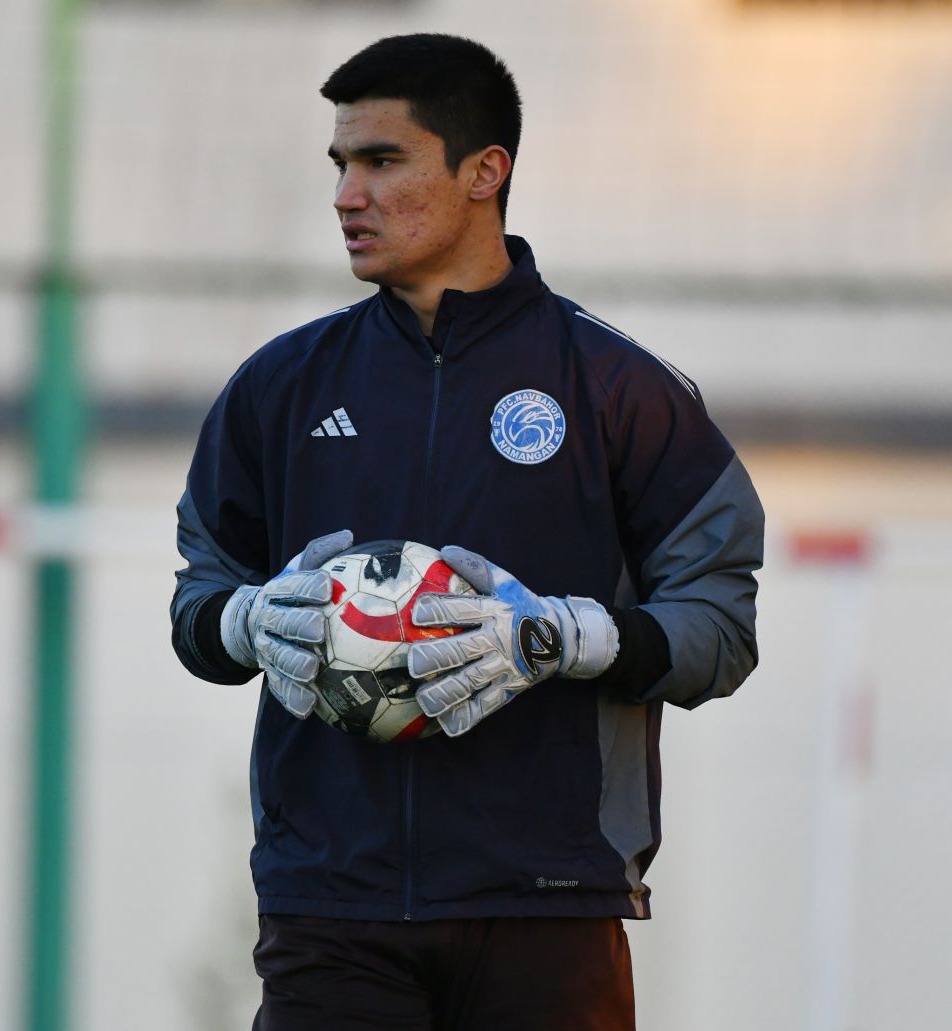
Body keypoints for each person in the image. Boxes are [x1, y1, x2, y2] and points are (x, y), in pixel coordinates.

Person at [169, 33, 764, 1031]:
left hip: (548, 902)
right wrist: (243, 621)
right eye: (339, 164)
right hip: (331, 906)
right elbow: (199, 595)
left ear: (485, 172)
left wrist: (568, 636)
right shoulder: (279, 388)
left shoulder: (619, 389)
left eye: (381, 160)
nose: (346, 195)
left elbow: (722, 627)